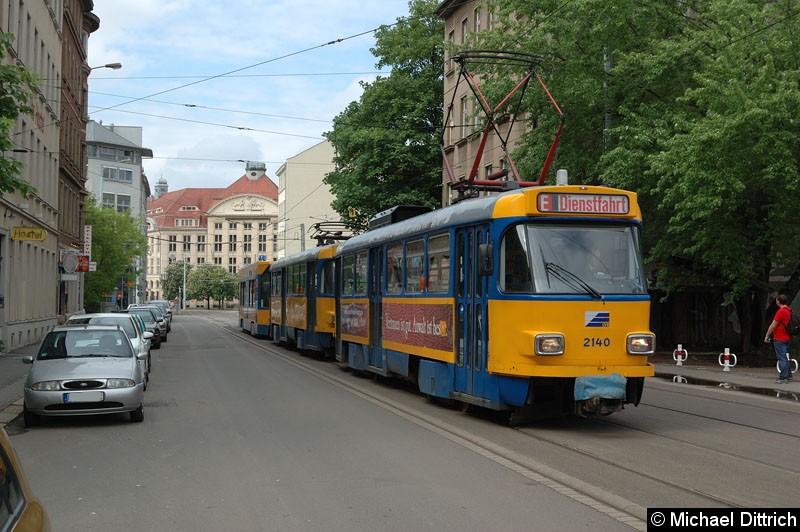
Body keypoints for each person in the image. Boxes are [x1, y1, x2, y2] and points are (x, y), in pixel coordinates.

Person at [764, 294, 793, 384]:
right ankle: (788, 375)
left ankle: (783, 377)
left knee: (782, 357)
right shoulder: (789, 310)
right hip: (788, 337)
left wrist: (767, 335)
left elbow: (773, 325)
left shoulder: (781, 312)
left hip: (780, 338)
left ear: (778, 301)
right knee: (784, 356)